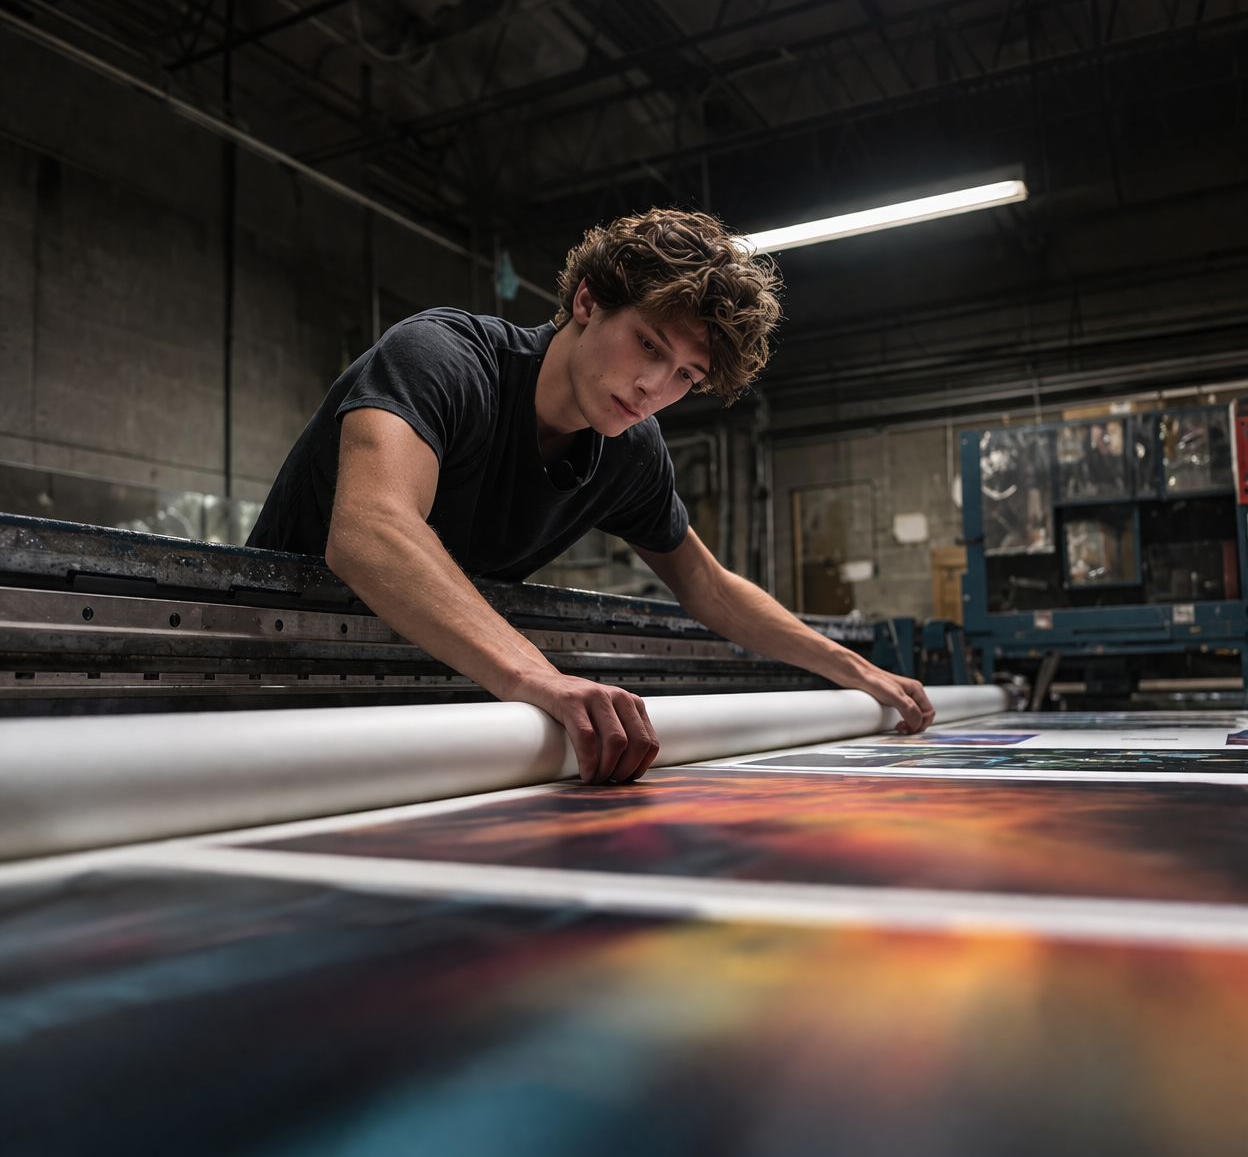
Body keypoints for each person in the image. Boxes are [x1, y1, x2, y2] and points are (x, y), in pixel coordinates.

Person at [248, 209, 934, 783]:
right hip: (262, 684)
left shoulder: (630, 452)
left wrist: (857, 671)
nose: (653, 388)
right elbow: (370, 528)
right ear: (586, 301)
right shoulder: (442, 359)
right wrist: (539, 678)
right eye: (647, 344)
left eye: (685, 376)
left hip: (419, 697)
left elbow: (710, 587)